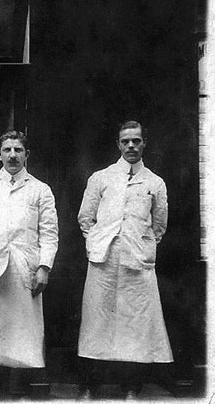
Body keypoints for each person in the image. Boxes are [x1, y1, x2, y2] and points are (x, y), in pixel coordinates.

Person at [76, 121, 171, 399]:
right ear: (118, 144)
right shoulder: (101, 178)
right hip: (103, 259)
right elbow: (86, 217)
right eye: (126, 141)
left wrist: (142, 245)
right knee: (97, 323)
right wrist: (96, 241)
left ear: (144, 144)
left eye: (136, 141)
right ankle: (90, 387)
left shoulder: (155, 182)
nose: (131, 146)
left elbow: (159, 225)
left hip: (137, 261)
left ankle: (131, 388)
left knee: (135, 326)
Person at [0, 130, 59, 399]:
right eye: (7, 150)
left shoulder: (41, 190)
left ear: (27, 154)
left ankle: (18, 391)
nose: (13, 155)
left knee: (21, 332)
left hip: (23, 267)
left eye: (18, 150)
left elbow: (49, 234)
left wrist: (44, 267)